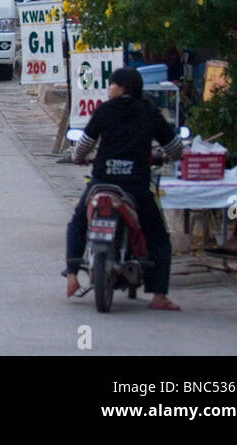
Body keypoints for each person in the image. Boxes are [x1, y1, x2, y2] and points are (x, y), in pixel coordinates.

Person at [64, 66, 184, 310]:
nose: (109, 89)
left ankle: (72, 275)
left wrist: (79, 158)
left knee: (78, 223)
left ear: (122, 88)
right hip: (136, 187)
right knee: (158, 236)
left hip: (102, 182)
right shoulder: (150, 113)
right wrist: (168, 156)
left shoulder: (105, 110)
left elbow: (84, 145)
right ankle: (159, 296)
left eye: (112, 84)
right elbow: (175, 148)